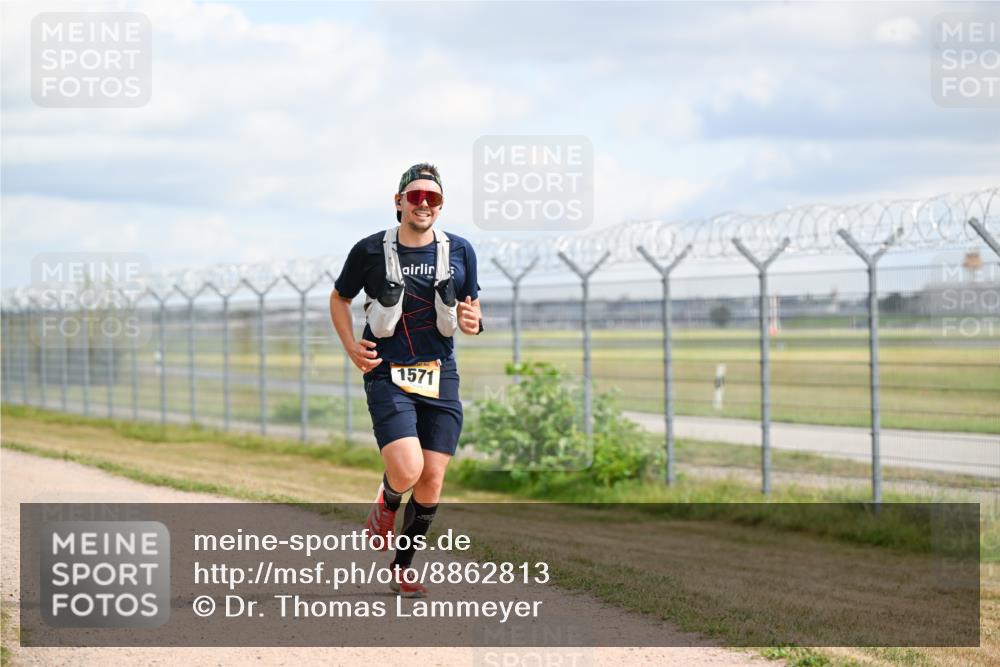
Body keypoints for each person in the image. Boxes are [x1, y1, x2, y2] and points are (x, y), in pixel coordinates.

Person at [328, 163, 482, 598]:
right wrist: (350, 346)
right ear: (398, 202)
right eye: (415, 196)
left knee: (432, 477)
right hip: (385, 372)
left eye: (432, 198)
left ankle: (404, 565)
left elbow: (471, 311)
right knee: (408, 468)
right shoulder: (370, 251)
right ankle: (387, 502)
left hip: (440, 373)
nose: (423, 204)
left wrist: (473, 321)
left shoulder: (460, 251)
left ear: (441, 205)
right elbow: (340, 298)